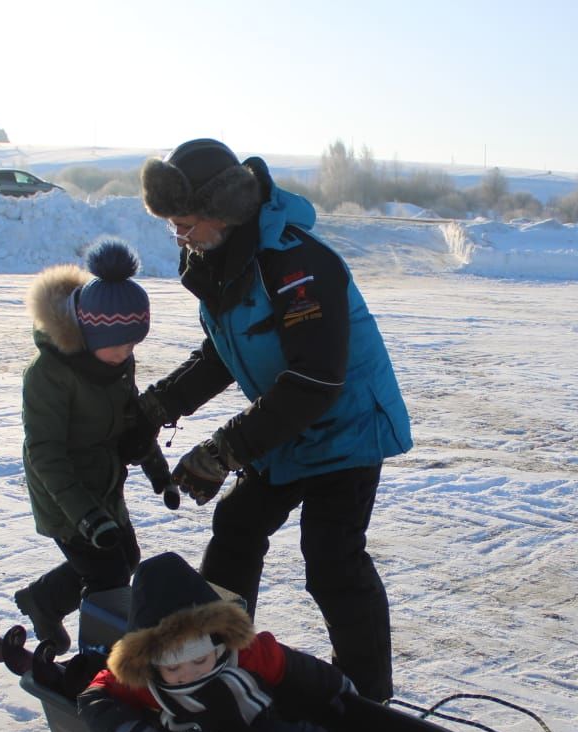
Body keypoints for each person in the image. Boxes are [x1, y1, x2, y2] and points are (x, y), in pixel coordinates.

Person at [130, 138, 412, 701]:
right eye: (173, 227)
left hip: (348, 427)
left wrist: (223, 451)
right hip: (289, 425)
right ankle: (218, 659)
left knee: (333, 562)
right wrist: (159, 405)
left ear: (223, 212)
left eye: (186, 224)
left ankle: (368, 700)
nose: (180, 238)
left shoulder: (297, 265)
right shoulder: (218, 260)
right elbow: (223, 353)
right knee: (237, 527)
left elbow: (315, 381)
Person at [77, 552, 365, 732]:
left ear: (220, 643)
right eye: (173, 668)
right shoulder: (144, 682)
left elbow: (299, 669)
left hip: (262, 722)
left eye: (199, 660)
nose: (187, 674)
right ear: (150, 663)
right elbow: (94, 695)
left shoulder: (247, 655)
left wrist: (338, 688)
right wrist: (118, 726)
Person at [14, 238, 178, 653]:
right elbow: (45, 453)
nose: (128, 352)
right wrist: (85, 517)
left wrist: (160, 474)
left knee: (127, 557)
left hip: (103, 484)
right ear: (87, 331)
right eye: (120, 342)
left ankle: (44, 600)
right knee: (107, 577)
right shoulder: (48, 374)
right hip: (64, 495)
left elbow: (131, 424)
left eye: (134, 343)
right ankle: (100, 665)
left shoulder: (116, 363)